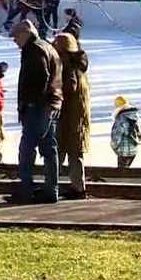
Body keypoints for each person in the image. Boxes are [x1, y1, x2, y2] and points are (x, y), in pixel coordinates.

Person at [9, 21, 62, 203]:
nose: (15, 41)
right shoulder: (46, 47)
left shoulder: (34, 50)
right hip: (50, 105)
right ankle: (51, 189)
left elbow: (40, 78)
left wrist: (31, 102)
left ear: (25, 33)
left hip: (38, 107)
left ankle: (26, 189)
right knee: (49, 148)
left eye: (16, 37)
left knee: (27, 148)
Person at [53, 33, 91, 201]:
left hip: (68, 117)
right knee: (75, 154)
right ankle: (78, 187)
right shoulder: (79, 66)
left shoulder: (67, 66)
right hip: (78, 117)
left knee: (59, 151)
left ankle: (52, 184)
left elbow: (69, 87)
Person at [110, 95, 141, 168]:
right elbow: (139, 131)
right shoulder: (135, 116)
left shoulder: (121, 118)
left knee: (121, 171)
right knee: (127, 169)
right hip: (134, 150)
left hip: (123, 151)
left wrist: (114, 147)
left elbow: (116, 136)